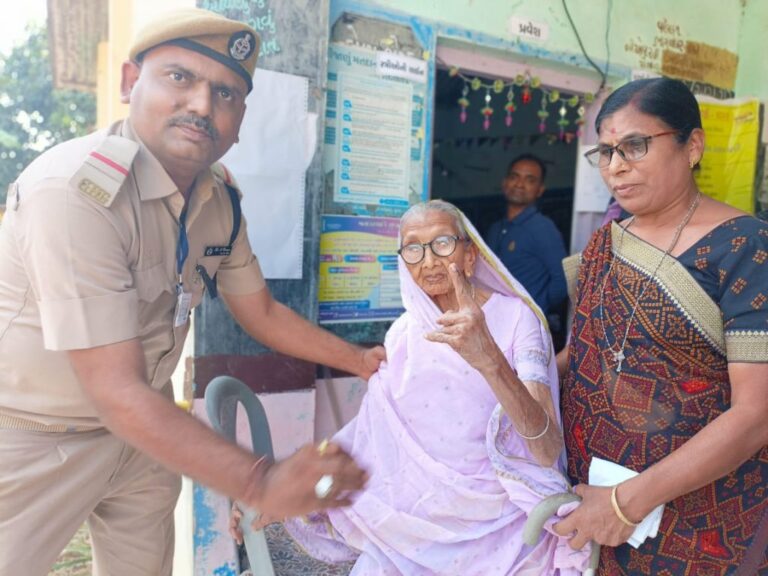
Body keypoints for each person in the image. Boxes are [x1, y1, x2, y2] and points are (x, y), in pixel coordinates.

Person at [0, 8, 384, 576]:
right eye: (180, 78)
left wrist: (363, 361)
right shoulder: (75, 192)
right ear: (132, 83)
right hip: (33, 437)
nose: (203, 106)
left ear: (241, 118)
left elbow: (262, 311)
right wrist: (264, 481)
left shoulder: (219, 201)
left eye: (225, 94)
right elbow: (114, 388)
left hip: (141, 436)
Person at [234, 200, 591, 575]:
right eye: (413, 248)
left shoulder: (517, 318)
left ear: (471, 256)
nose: (429, 260)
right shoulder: (404, 333)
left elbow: (547, 448)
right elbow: (369, 436)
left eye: (442, 243)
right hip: (411, 523)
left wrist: (489, 359)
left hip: (502, 526)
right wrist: (287, 483)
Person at [554, 78, 768, 574]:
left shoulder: (745, 248)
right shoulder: (605, 244)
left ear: (691, 146)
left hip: (700, 519)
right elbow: (585, 355)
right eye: (605, 151)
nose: (616, 167)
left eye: (635, 145)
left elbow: (756, 414)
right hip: (591, 500)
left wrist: (626, 504)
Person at [485, 154, 568, 316]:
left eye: (530, 180)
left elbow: (562, 280)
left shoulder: (543, 228)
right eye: (514, 177)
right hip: (494, 320)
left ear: (540, 190)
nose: (520, 184)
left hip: (526, 324)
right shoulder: (495, 228)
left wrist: (538, 308)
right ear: (504, 183)